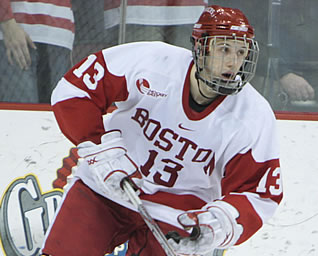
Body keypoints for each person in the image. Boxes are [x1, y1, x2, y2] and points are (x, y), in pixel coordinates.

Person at [41, 5, 283, 256]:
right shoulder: (153, 62)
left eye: (241, 52)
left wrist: (217, 225)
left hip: (177, 217)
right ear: (201, 48)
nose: (233, 62)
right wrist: (101, 151)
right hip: (107, 189)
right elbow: (74, 91)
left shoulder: (252, 116)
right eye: (224, 49)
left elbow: (257, 192)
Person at [0, 0, 74, 103]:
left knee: (57, 114)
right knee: (20, 113)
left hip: (60, 33)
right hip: (17, 28)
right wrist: (6, 21)